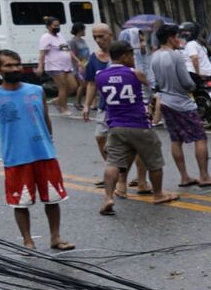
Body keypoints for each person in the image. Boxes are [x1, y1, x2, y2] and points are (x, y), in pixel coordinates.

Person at [0, 49, 71, 250]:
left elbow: (45, 119)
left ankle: (55, 237)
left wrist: (48, 141)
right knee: (20, 202)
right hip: (16, 157)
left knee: (53, 198)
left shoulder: (36, 91)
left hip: (45, 153)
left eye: (17, 64)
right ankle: (28, 241)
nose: (15, 68)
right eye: (8, 65)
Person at [95, 41, 176, 213]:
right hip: (139, 124)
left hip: (115, 126)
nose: (133, 58)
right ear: (124, 56)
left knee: (113, 163)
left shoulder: (100, 75)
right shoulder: (135, 73)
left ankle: (108, 198)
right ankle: (158, 194)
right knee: (154, 161)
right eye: (131, 55)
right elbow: (151, 90)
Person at [150, 24, 211, 187]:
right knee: (200, 137)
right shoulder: (175, 56)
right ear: (170, 38)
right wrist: (194, 85)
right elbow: (186, 82)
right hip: (182, 102)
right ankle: (204, 176)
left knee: (176, 140)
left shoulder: (154, 57)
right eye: (177, 37)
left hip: (166, 101)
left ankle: (184, 177)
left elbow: (157, 81)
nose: (179, 40)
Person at [80, 24, 147, 197]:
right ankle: (117, 171)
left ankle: (139, 180)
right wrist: (87, 104)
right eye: (95, 37)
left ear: (110, 35)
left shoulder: (124, 54)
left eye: (101, 36)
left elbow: (146, 81)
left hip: (130, 107)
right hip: (106, 106)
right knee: (101, 138)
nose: (98, 40)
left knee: (137, 144)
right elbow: (91, 83)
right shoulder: (94, 58)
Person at [38, 19, 77, 118]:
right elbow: (42, 53)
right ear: (48, 26)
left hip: (66, 66)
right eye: (54, 26)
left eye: (58, 25)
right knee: (63, 87)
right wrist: (40, 67)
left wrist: (77, 60)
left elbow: (67, 49)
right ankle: (63, 108)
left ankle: (58, 100)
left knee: (73, 86)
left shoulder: (60, 36)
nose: (57, 27)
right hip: (54, 66)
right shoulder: (46, 37)